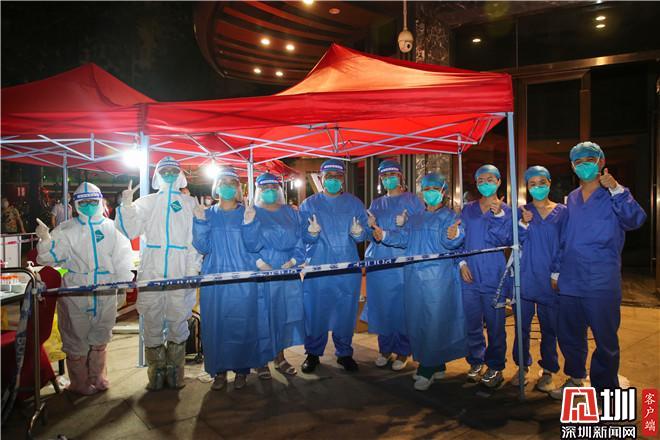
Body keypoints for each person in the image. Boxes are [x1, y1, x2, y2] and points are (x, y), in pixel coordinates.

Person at [550, 142, 646, 398]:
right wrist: (557, 271)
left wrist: (616, 189)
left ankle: (605, 387)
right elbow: (565, 237)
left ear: (601, 162)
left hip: (601, 278)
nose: (584, 165)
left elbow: (636, 220)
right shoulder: (571, 198)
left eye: (589, 160)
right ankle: (575, 378)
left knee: (605, 337)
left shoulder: (615, 194)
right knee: (570, 334)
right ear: (572, 166)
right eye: (578, 161)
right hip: (571, 278)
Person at [35, 182, 133, 394]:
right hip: (75, 290)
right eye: (84, 202)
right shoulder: (66, 229)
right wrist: (46, 240)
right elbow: (50, 258)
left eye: (92, 201)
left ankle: (98, 377)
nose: (88, 205)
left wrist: (123, 283)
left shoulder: (112, 228)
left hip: (105, 288)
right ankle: (79, 383)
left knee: (101, 334)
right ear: (76, 204)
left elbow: (123, 257)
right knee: (75, 335)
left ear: (100, 202)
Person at [115, 156, 202, 391]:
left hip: (180, 266)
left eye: (174, 171)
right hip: (152, 267)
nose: (170, 175)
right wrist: (126, 207)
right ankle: (156, 372)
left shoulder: (189, 204)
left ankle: (175, 373)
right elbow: (129, 230)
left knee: (178, 318)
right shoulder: (146, 202)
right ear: (157, 175)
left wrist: (192, 267)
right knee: (151, 317)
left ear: (180, 174)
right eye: (165, 171)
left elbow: (195, 240)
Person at [374, 172, 466, 390]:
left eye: (434, 189)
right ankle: (438, 364)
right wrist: (384, 235)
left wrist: (454, 235)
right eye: (426, 189)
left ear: (443, 191)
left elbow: (452, 242)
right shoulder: (416, 217)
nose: (430, 193)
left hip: (437, 278)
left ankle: (427, 367)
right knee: (418, 321)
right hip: (414, 277)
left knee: (434, 321)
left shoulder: (450, 217)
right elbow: (403, 238)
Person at [192, 166, 265, 390]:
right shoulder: (208, 214)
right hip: (214, 277)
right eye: (223, 183)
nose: (227, 187)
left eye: (232, 183)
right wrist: (200, 223)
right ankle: (219, 371)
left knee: (243, 324)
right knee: (216, 325)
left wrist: (250, 224)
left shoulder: (247, 213)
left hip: (242, 277)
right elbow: (202, 247)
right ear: (216, 187)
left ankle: (242, 370)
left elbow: (255, 246)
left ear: (238, 188)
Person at [299, 159, 369, 373]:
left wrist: (359, 233)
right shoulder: (309, 204)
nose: (333, 180)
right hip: (319, 266)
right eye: (328, 177)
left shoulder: (354, 203)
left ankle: (344, 353)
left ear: (343, 179)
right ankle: (313, 353)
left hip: (347, 267)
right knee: (315, 311)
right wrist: (310, 234)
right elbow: (301, 236)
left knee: (345, 312)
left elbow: (364, 232)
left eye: (337, 177)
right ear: (321, 179)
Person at [241, 172, 305, 377]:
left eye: (273, 188)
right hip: (264, 269)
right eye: (265, 188)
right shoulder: (253, 212)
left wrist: (294, 260)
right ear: (258, 190)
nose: (269, 191)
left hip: (287, 271)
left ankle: (280, 357)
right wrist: (258, 261)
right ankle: (261, 361)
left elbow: (300, 239)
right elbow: (246, 242)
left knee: (283, 314)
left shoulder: (290, 212)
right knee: (263, 315)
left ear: (279, 190)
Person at [363, 159, 424, 371]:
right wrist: (367, 228)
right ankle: (385, 349)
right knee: (383, 306)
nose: (389, 179)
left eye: (392, 175)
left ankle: (403, 350)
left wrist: (407, 223)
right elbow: (371, 233)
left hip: (402, 264)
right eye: (385, 176)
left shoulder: (413, 201)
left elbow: (419, 231)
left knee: (402, 308)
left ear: (400, 177)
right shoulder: (376, 204)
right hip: (379, 263)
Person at [510, 166, 567, 392]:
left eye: (541, 182)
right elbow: (513, 241)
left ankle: (548, 370)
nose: (537, 187)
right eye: (532, 184)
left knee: (549, 328)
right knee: (521, 327)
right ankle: (522, 366)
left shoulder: (562, 212)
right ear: (527, 187)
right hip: (525, 277)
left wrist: (557, 272)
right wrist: (523, 223)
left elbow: (565, 244)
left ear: (549, 183)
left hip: (549, 280)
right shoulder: (522, 211)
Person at [459, 164, 512, 389]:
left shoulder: (506, 210)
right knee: (472, 322)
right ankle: (476, 360)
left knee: (495, 324)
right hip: (469, 272)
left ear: (499, 182)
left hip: (493, 272)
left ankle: (496, 365)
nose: (485, 183)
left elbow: (507, 240)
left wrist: (498, 215)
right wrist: (461, 263)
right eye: (481, 180)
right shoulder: (467, 209)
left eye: (490, 179)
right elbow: (459, 239)